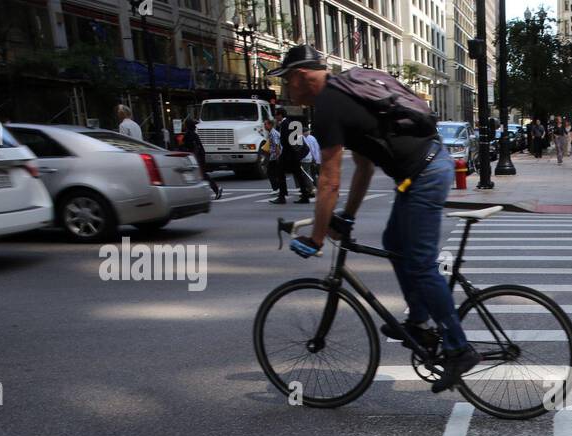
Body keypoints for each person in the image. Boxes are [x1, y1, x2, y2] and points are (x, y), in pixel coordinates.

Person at [270, 44, 479, 391]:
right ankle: (420, 323)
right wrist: (347, 218)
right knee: (393, 242)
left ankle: (458, 348)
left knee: (421, 264)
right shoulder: (343, 93)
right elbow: (364, 166)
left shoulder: (328, 107)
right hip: (421, 172)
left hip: (424, 175)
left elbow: (329, 180)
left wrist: (317, 237)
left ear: (301, 76)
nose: (286, 89)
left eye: (287, 82)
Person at [274, 108, 314, 204]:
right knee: (298, 175)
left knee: (280, 172)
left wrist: (283, 153)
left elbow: (285, 141)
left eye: (276, 115)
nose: (275, 117)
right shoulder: (290, 123)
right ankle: (304, 196)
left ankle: (282, 196)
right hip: (294, 154)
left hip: (289, 154)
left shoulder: (284, 124)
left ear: (280, 115)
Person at [182, 115, 222, 199]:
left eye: (185, 125)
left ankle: (216, 189)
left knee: (197, 176)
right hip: (198, 157)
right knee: (199, 176)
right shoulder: (194, 135)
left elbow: (188, 148)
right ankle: (215, 190)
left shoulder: (188, 135)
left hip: (194, 158)